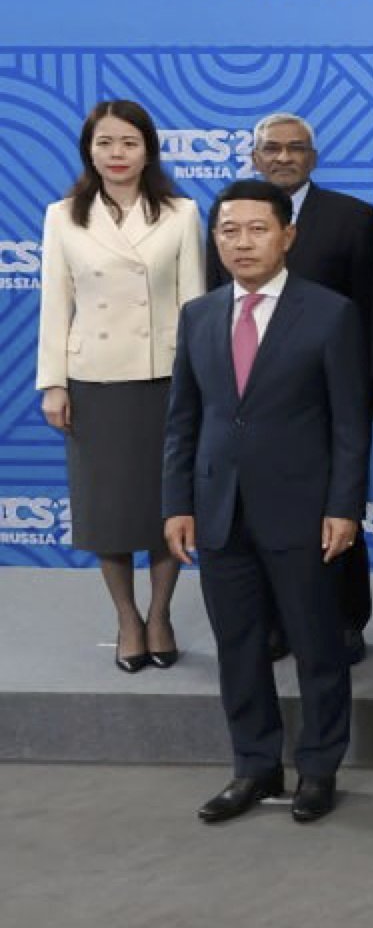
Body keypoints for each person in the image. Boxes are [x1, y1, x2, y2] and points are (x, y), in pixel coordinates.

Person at [164, 178, 369, 824]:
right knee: (239, 647)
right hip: (220, 509)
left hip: (304, 513)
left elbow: (349, 423)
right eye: (229, 230)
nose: (242, 242)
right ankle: (253, 767)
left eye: (257, 229)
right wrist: (177, 502)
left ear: (288, 235)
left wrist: (343, 505)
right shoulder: (199, 315)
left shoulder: (330, 312)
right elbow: (183, 420)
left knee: (317, 648)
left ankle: (317, 769)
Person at [38, 100, 204, 673]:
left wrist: (200, 383)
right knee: (106, 510)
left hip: (163, 377)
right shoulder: (63, 215)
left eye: (128, 143)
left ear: (148, 149)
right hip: (94, 382)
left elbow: (194, 307)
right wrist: (52, 384)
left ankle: (160, 613)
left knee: (166, 505)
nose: (117, 154)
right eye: (105, 143)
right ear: (89, 149)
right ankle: (126, 617)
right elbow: (55, 304)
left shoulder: (181, 213)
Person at [208, 112, 373, 661]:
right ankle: (275, 622)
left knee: (337, 507)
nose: (283, 157)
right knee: (261, 516)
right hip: (254, 395)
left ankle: (348, 619)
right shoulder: (231, 221)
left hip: (332, 391)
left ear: (315, 156)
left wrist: (366, 388)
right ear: (254, 156)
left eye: (296, 148)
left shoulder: (354, 218)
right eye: (272, 148)